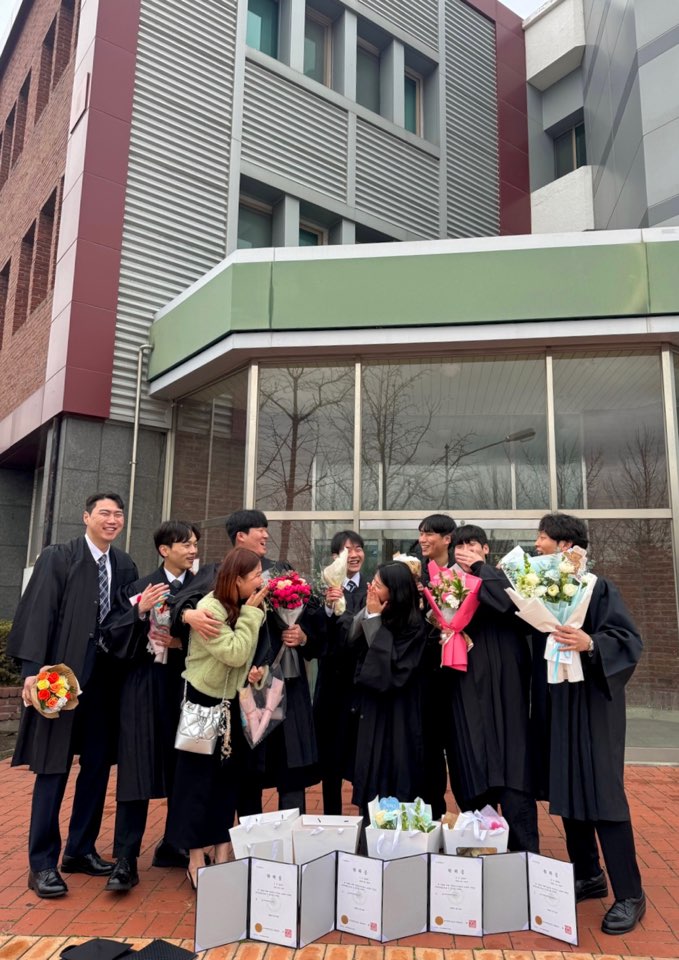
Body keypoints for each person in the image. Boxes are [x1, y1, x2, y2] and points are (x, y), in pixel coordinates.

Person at [7, 493, 138, 899]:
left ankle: (80, 850)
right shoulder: (59, 558)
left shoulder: (124, 565)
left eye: (118, 514)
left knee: (97, 766)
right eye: (104, 513)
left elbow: (124, 620)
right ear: (86, 517)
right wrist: (33, 672)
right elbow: (38, 613)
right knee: (53, 768)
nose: (112, 520)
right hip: (60, 679)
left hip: (105, 683)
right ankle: (42, 864)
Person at [170, 508, 324, 814]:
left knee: (290, 765)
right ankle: (249, 835)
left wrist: (303, 635)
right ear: (240, 536)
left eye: (266, 528)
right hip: (245, 683)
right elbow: (180, 602)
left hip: (285, 682)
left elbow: (312, 614)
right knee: (247, 767)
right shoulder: (218, 573)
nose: (266, 534)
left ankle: (292, 834)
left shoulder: (282, 571)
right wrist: (187, 614)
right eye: (259, 529)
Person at [534, 512, 645, 935]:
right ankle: (588, 874)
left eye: (542, 538)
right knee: (567, 786)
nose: (537, 545)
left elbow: (629, 641)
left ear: (566, 545)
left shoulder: (598, 589)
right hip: (561, 702)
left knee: (603, 793)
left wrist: (591, 642)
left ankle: (631, 893)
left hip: (595, 704)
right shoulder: (543, 592)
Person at [100, 520, 201, 891]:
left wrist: (183, 642)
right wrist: (139, 612)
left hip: (188, 688)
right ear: (164, 550)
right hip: (143, 686)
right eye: (185, 544)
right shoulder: (140, 588)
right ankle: (126, 860)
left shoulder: (203, 589)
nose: (192, 550)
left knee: (186, 768)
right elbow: (111, 637)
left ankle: (176, 844)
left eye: (194, 544)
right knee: (136, 770)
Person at [164, 547, 269, 889]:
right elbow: (235, 652)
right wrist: (251, 617)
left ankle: (223, 853)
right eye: (255, 576)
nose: (260, 582)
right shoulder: (209, 609)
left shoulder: (247, 606)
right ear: (236, 579)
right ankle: (195, 858)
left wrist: (257, 674)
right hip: (202, 703)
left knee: (229, 781)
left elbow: (251, 656)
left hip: (233, 705)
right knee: (195, 783)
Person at [443, 524, 539, 852]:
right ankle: (477, 850)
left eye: (472, 545)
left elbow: (512, 606)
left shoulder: (504, 576)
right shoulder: (449, 585)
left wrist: (480, 570)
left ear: (485, 548)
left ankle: (525, 858)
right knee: (471, 760)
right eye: (460, 546)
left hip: (508, 683)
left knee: (513, 770)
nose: (465, 551)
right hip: (468, 683)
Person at [348, 561, 427, 815]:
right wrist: (370, 615)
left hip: (399, 714)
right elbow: (351, 642)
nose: (371, 588)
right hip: (373, 712)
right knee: (371, 777)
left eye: (378, 585)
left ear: (395, 591)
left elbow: (390, 669)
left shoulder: (415, 626)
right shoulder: (377, 612)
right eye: (372, 581)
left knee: (398, 774)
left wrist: (374, 620)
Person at [316, 530, 368, 814]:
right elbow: (315, 637)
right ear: (336, 557)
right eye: (348, 550)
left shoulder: (373, 587)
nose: (355, 555)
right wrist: (327, 607)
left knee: (363, 756)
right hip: (332, 687)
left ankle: (366, 822)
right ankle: (332, 819)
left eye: (359, 548)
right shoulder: (322, 589)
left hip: (363, 684)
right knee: (331, 759)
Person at [417, 513, 457, 819]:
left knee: (458, 746)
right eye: (421, 533)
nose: (423, 539)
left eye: (429, 533)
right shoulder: (417, 573)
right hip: (425, 674)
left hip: (457, 673)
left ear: (447, 539)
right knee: (428, 749)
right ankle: (433, 813)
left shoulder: (462, 573)